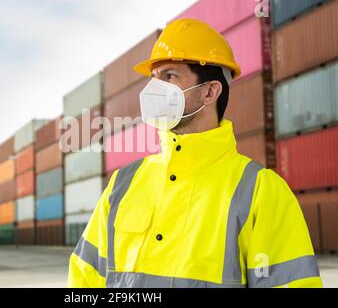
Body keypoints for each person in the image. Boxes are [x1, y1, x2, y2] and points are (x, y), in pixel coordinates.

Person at [68, 18, 322, 288]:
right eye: (154, 78)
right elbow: (84, 279)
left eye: (170, 76)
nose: (154, 89)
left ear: (210, 91)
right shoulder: (122, 184)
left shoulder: (261, 192)